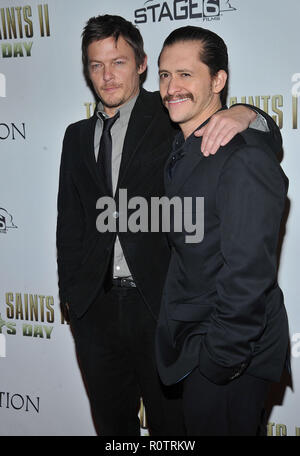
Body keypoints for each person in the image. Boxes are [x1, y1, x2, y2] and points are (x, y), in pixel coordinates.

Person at [56, 14, 283, 436]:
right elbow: (70, 220)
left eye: (119, 62)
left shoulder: (169, 113)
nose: (107, 76)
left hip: (158, 307)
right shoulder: (74, 135)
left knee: (173, 430)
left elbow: (262, 136)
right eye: (96, 65)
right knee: (112, 426)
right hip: (95, 308)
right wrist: (71, 293)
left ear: (141, 64)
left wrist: (244, 112)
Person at [155, 25, 289, 436]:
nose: (171, 87)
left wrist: (219, 361)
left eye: (185, 74)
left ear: (218, 80)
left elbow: (249, 275)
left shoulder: (243, 158)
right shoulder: (183, 146)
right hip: (195, 342)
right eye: (163, 75)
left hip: (228, 355)